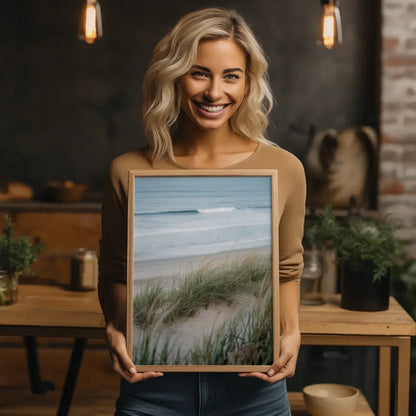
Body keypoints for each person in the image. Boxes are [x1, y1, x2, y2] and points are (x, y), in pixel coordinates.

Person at [98, 7, 306, 416]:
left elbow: (286, 270)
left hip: (254, 393)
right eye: (199, 73)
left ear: (248, 84)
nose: (215, 93)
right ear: (174, 76)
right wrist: (113, 327)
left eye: (231, 76)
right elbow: (114, 272)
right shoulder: (128, 170)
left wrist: (292, 332)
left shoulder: (285, 168)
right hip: (152, 391)